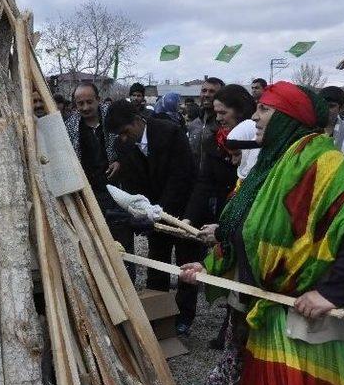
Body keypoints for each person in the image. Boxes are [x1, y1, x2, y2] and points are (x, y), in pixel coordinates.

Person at [182, 81, 344, 385]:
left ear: (289, 118)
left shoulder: (327, 164)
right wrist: (210, 266)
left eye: (265, 109)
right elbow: (244, 227)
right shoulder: (271, 163)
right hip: (269, 312)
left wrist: (333, 293)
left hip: (303, 322)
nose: (256, 117)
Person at [105, 99, 197, 321]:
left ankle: (184, 317)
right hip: (154, 216)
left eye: (126, 132)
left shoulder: (170, 132)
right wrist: (140, 212)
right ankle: (158, 316)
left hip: (184, 211)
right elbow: (132, 183)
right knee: (157, 264)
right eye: (119, 135)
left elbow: (181, 177)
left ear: (137, 121)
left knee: (187, 266)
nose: (124, 138)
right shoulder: (122, 145)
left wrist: (162, 211)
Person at [182, 84, 255, 336]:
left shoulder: (260, 166)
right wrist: (191, 217)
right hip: (228, 217)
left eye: (223, 112)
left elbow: (253, 224)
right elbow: (205, 181)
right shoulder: (217, 139)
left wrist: (224, 231)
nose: (219, 118)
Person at [64, 82, 137, 279]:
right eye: (80, 104)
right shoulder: (70, 126)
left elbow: (131, 143)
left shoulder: (112, 118)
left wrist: (119, 162)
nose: (86, 107)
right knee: (94, 242)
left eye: (89, 102)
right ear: (75, 105)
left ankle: (127, 283)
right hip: (89, 194)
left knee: (122, 240)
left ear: (98, 99)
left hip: (118, 191)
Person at [188, 77, 225, 171]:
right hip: (194, 180)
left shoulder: (226, 123)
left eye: (212, 91)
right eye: (204, 91)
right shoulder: (194, 124)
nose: (207, 95)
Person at [320, 86, 344, 162]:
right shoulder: (307, 130)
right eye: (323, 105)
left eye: (331, 106)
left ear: (340, 108)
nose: (326, 110)